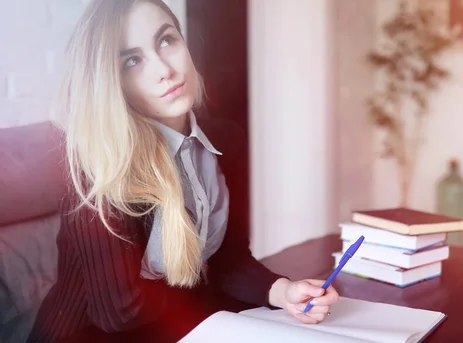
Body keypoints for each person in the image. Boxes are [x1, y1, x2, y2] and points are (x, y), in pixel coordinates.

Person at [27, 0, 339, 342]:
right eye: (132, 61)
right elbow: (118, 311)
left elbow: (227, 259)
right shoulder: (100, 165)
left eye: (166, 40)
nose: (164, 69)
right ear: (111, 82)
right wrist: (216, 312)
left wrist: (282, 292)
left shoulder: (226, 141)